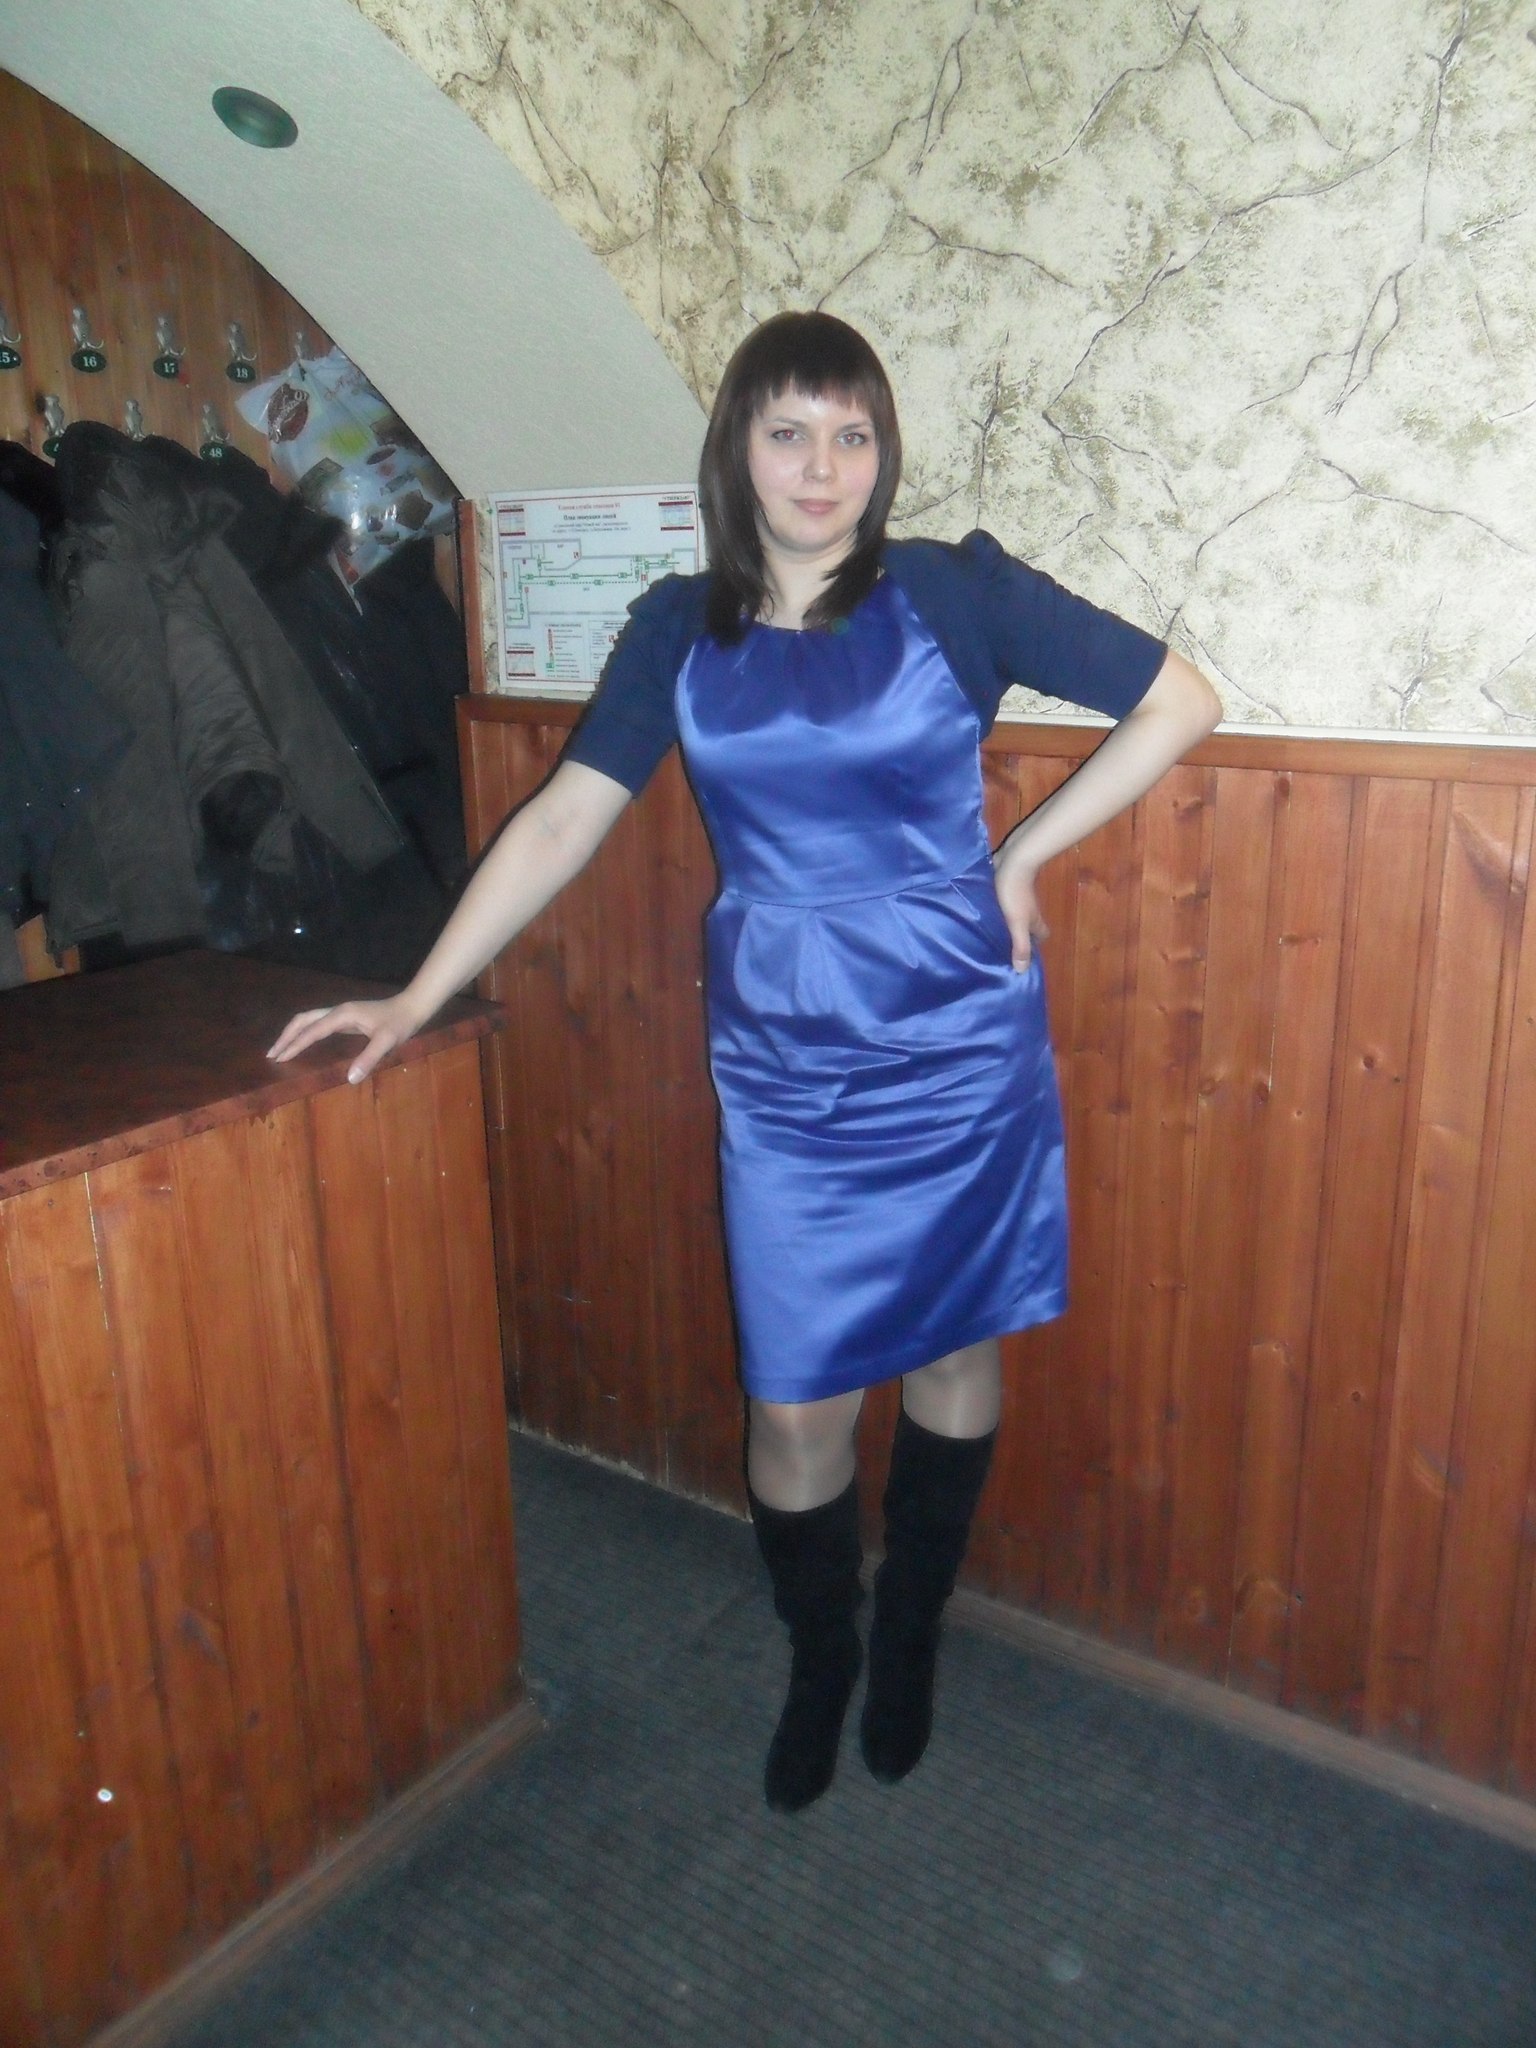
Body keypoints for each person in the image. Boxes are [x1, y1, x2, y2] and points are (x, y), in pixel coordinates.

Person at [269, 311, 1222, 1814]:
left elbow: (1182, 700)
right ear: (738, 450)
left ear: (882, 454)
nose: (822, 466)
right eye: (789, 432)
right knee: (793, 1400)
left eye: (852, 434)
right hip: (785, 1055)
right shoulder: (677, 625)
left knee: (956, 1344)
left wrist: (1022, 857)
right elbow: (563, 819)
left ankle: (911, 1632)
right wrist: (414, 997)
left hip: (957, 1036)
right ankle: (821, 1649)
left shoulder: (950, 592)